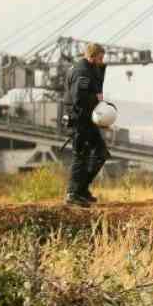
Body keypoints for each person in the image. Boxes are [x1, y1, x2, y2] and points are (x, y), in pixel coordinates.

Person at [63, 43, 109, 207]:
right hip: (80, 120)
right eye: (100, 58)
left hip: (88, 119)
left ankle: (81, 189)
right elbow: (79, 99)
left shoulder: (89, 69)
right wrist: (97, 100)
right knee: (81, 156)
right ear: (92, 56)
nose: (102, 61)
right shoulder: (82, 71)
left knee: (100, 154)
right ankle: (73, 193)